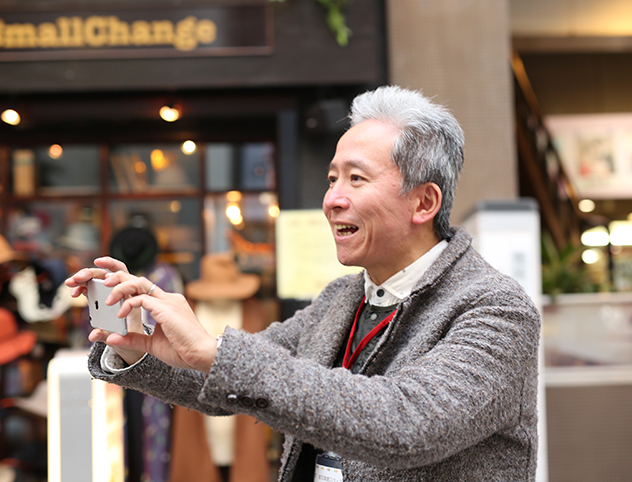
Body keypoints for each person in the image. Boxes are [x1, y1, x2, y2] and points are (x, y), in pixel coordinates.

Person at [66, 85, 540, 482]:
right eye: (332, 178)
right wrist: (138, 348)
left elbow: (407, 424)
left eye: (357, 179)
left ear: (423, 203)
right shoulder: (341, 298)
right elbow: (235, 381)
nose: (332, 199)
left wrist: (214, 351)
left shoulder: (495, 308)